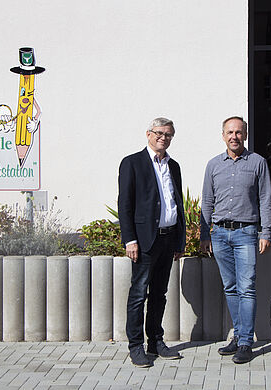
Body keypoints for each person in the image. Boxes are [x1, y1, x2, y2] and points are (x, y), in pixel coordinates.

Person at [199, 116, 271, 364]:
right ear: (223, 135)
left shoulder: (258, 163)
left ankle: (245, 342)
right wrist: (203, 235)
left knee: (247, 288)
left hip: (246, 233)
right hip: (219, 234)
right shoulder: (213, 165)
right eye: (230, 132)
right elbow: (207, 201)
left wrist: (265, 232)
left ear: (245, 135)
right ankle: (239, 335)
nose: (234, 136)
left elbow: (265, 199)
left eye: (239, 132)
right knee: (230, 288)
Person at [118, 117, 186, 368]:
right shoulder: (132, 163)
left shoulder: (174, 165)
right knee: (138, 294)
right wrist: (130, 239)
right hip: (145, 240)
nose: (163, 138)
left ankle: (155, 342)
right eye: (159, 133)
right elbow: (124, 205)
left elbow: (176, 203)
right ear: (148, 134)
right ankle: (135, 346)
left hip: (168, 239)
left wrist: (180, 238)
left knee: (160, 293)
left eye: (168, 134)